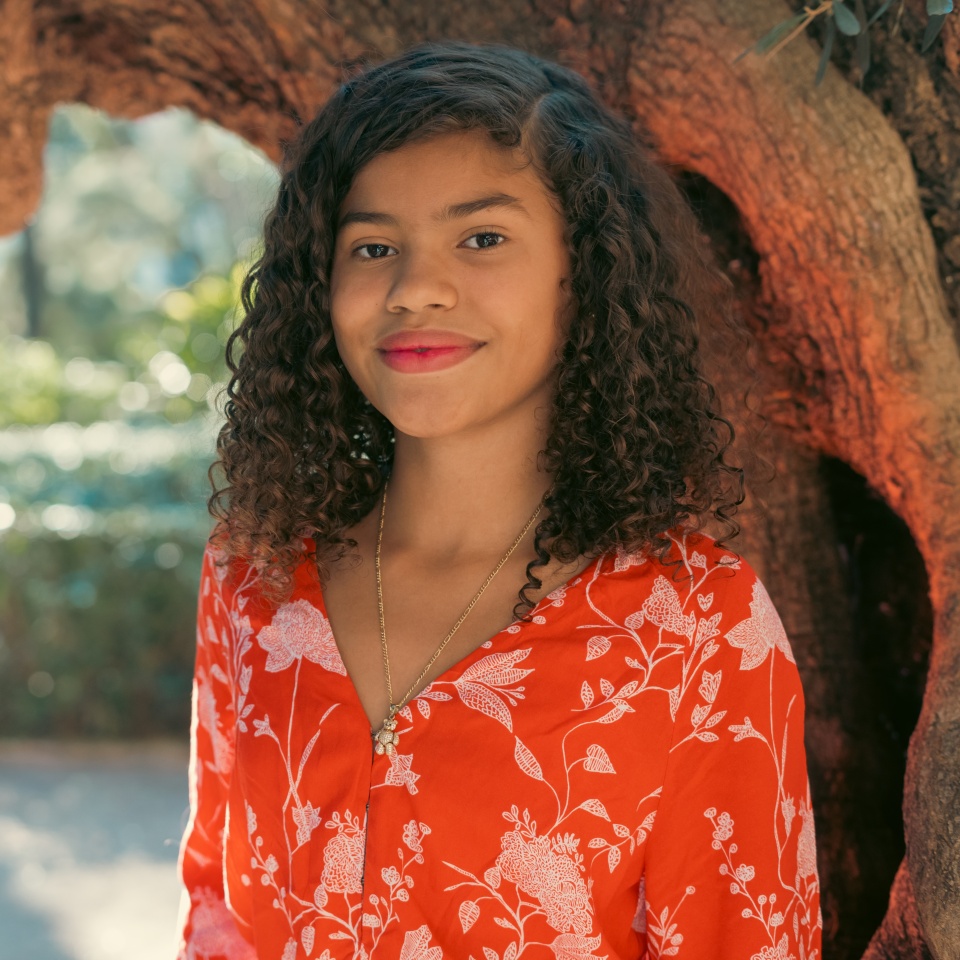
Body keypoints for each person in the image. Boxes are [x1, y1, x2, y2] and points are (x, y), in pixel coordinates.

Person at [175, 39, 823, 960]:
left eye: (481, 238)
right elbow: (217, 915)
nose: (415, 289)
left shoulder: (696, 632)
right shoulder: (254, 578)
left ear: (582, 272)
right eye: (373, 247)